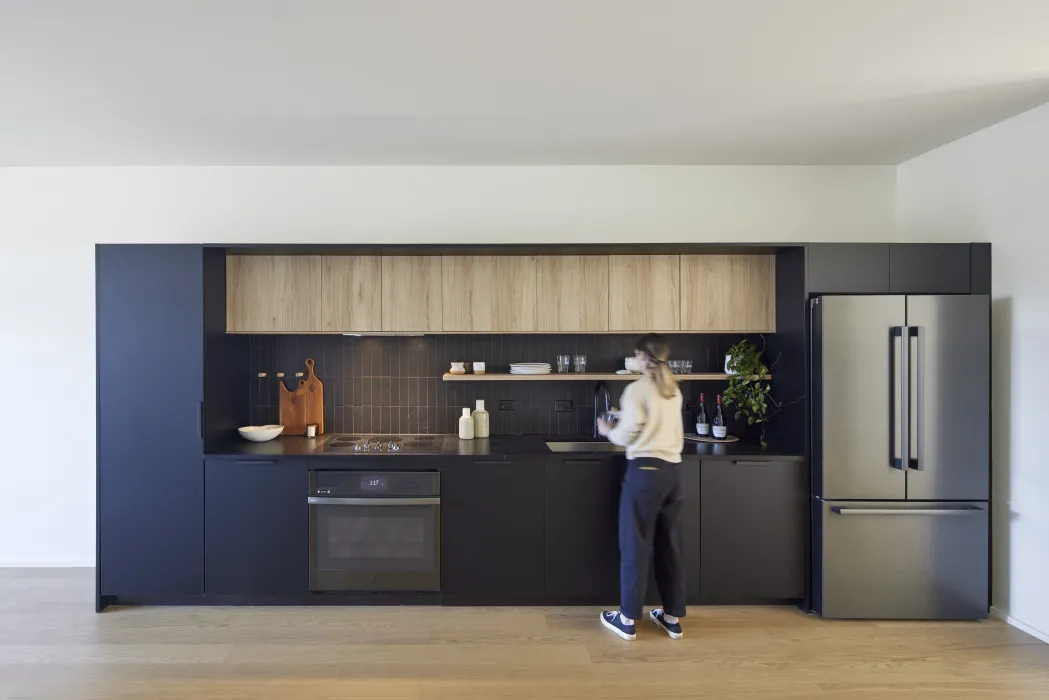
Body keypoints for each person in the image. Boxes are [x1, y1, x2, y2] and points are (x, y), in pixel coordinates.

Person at [597, 334, 686, 641]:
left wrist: (609, 429)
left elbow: (627, 435)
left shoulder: (636, 389)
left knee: (635, 544)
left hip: (645, 472)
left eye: (636, 356)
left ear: (641, 357)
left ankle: (627, 619)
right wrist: (626, 418)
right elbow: (653, 420)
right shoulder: (672, 388)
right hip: (673, 473)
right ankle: (672, 618)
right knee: (668, 545)